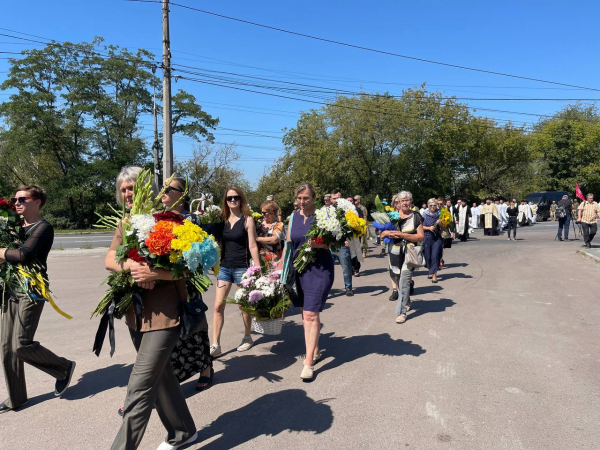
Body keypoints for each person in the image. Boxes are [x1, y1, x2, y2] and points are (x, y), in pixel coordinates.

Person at [106, 167, 197, 450]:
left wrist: (155, 274)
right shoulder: (126, 222)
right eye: (123, 190)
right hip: (135, 314)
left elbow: (192, 269)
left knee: (140, 386)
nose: (127, 194)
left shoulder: (171, 221)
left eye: (132, 187)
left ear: (147, 188)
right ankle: (183, 431)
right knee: (162, 377)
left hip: (166, 313)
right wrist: (130, 265)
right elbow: (110, 257)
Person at [0, 185, 76, 414]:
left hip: (32, 289)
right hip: (10, 288)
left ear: (37, 202)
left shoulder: (43, 228)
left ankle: (63, 367)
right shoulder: (11, 225)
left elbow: (23, 255)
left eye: (22, 199)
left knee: (21, 344)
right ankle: (17, 398)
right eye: (15, 199)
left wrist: (1, 252)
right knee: (6, 347)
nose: (17, 202)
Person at [161, 178, 213, 393]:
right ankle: (168, 376)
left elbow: (197, 251)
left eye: (169, 188)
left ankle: (206, 367)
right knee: (169, 330)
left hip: (187, 281)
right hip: (164, 282)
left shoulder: (191, 218)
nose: (163, 190)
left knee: (194, 324)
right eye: (162, 186)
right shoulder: (158, 216)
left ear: (181, 194)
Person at [281, 183, 334, 381]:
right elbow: (288, 244)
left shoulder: (323, 216)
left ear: (314, 198)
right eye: (299, 198)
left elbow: (332, 241)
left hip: (319, 269)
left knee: (311, 314)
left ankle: (309, 361)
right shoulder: (293, 217)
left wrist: (319, 243)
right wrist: (281, 268)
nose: (302, 202)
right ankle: (315, 348)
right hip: (298, 269)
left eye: (306, 198)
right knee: (305, 313)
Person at [210, 186, 261, 357]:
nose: (233, 200)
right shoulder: (222, 220)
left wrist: (257, 269)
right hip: (224, 268)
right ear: (225, 201)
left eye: (236, 197)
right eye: (229, 198)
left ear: (241, 199)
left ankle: (247, 337)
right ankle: (215, 344)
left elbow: (253, 245)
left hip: (242, 268)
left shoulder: (248, 220)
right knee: (218, 307)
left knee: (243, 306)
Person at [380, 191, 424, 324]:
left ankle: (402, 312)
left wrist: (403, 235)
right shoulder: (390, 215)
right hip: (394, 251)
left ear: (411, 202)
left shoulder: (416, 216)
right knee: (397, 278)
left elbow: (420, 236)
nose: (405, 202)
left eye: (407, 200)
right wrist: (385, 233)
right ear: (397, 202)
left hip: (409, 252)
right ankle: (407, 300)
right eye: (402, 200)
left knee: (405, 279)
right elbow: (381, 233)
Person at [330, 189, 354, 296]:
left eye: (338, 198)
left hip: (342, 244)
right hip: (329, 244)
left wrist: (348, 239)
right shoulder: (327, 211)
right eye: (334, 198)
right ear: (331, 199)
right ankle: (327, 289)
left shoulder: (347, 211)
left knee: (346, 268)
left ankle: (348, 288)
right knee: (328, 269)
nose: (336, 200)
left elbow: (352, 226)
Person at [256, 199, 285, 268]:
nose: (262, 214)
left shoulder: (279, 225)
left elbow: (274, 239)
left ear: (272, 212)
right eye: (261, 212)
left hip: (274, 262)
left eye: (264, 212)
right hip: (260, 261)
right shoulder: (259, 225)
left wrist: (256, 238)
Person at [422, 199, 444, 283]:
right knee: (428, 256)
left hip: (437, 237)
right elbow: (421, 226)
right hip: (427, 237)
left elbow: (444, 226)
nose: (433, 207)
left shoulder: (440, 213)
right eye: (431, 205)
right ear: (428, 206)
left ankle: (434, 274)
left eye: (434, 205)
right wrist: (428, 228)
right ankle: (430, 269)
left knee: (435, 255)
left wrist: (440, 223)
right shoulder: (424, 214)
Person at [346, 196, 363, 276]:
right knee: (348, 252)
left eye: (351, 200)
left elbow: (362, 221)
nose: (349, 202)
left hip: (356, 234)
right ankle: (351, 269)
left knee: (356, 252)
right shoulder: (343, 210)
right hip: (346, 234)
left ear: (353, 201)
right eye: (348, 200)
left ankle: (356, 269)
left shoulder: (357, 210)